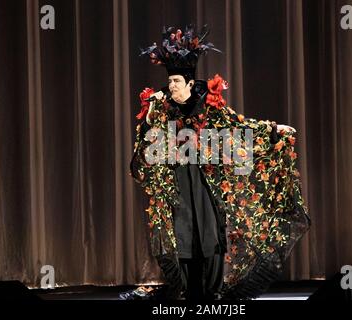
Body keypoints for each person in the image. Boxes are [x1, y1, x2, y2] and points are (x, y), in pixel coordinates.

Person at [128, 25, 311, 300]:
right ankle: (189, 291)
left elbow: (239, 126)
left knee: (209, 231)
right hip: (178, 179)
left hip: (205, 178)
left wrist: (274, 130)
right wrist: (151, 115)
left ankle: (211, 291)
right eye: (171, 81)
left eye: (177, 81)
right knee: (182, 233)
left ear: (190, 83)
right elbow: (146, 139)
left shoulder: (209, 105)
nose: (172, 86)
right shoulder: (163, 107)